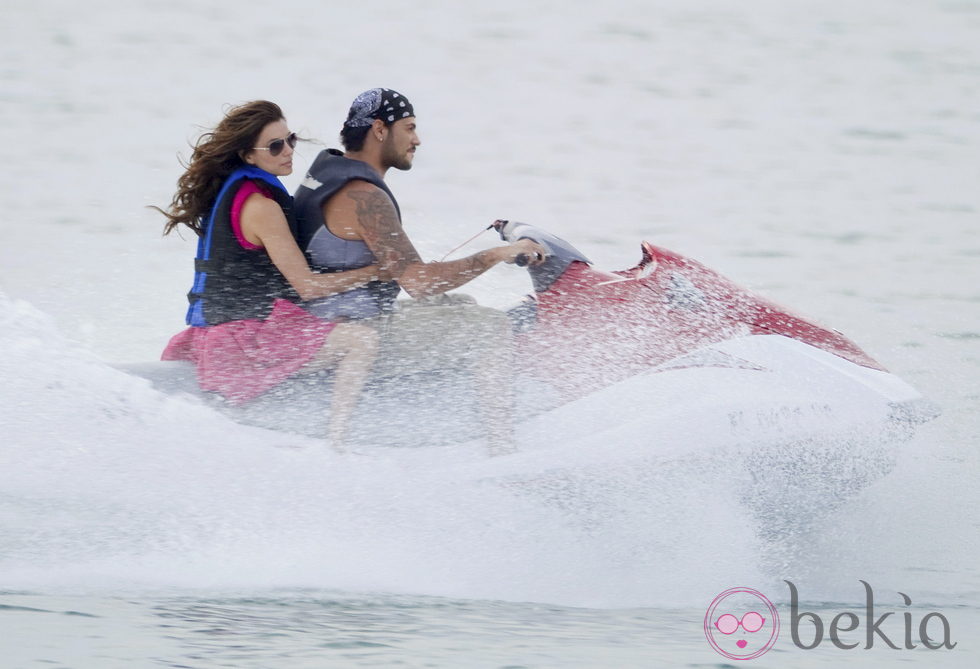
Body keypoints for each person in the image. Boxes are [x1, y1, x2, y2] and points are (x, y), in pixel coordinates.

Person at [293, 88, 547, 455]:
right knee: (493, 327)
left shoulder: (328, 171)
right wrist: (497, 254)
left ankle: (452, 405)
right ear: (380, 129)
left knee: (460, 302)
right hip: (350, 333)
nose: (417, 139)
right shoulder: (363, 196)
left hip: (326, 321)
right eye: (409, 128)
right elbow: (419, 283)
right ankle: (502, 449)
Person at [156, 100, 384, 451]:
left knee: (330, 325)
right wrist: (375, 271)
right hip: (240, 344)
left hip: (210, 335)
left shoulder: (235, 192)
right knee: (361, 341)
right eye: (275, 146)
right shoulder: (262, 208)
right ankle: (337, 442)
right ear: (249, 156)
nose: (289, 151)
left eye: (290, 140)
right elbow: (307, 286)